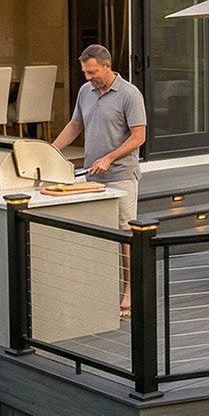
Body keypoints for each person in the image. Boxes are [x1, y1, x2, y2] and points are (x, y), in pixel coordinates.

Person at [52, 45, 147, 316]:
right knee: (95, 232)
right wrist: (49, 151)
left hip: (121, 176)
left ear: (107, 66)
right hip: (91, 177)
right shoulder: (85, 91)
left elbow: (139, 136)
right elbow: (75, 125)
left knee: (125, 235)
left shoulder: (129, 94)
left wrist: (110, 157)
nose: (87, 77)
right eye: (84, 72)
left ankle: (130, 290)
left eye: (92, 72)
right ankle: (98, 290)